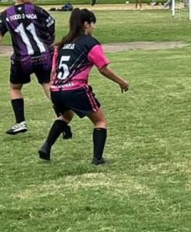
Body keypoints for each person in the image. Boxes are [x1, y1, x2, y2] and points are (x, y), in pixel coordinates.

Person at [37, 9, 129, 165]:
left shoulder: (62, 44)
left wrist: (55, 90)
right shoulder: (90, 43)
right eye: (93, 24)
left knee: (66, 116)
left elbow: (53, 71)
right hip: (75, 89)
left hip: (56, 89)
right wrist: (121, 81)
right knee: (100, 121)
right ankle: (98, 159)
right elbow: (103, 68)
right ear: (86, 24)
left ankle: (46, 147)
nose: (94, 28)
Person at [0, 0, 71, 138]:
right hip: (43, 56)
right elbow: (51, 26)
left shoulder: (5, 14)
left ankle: (20, 122)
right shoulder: (37, 10)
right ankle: (63, 121)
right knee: (48, 86)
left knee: (15, 88)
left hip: (21, 59)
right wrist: (48, 42)